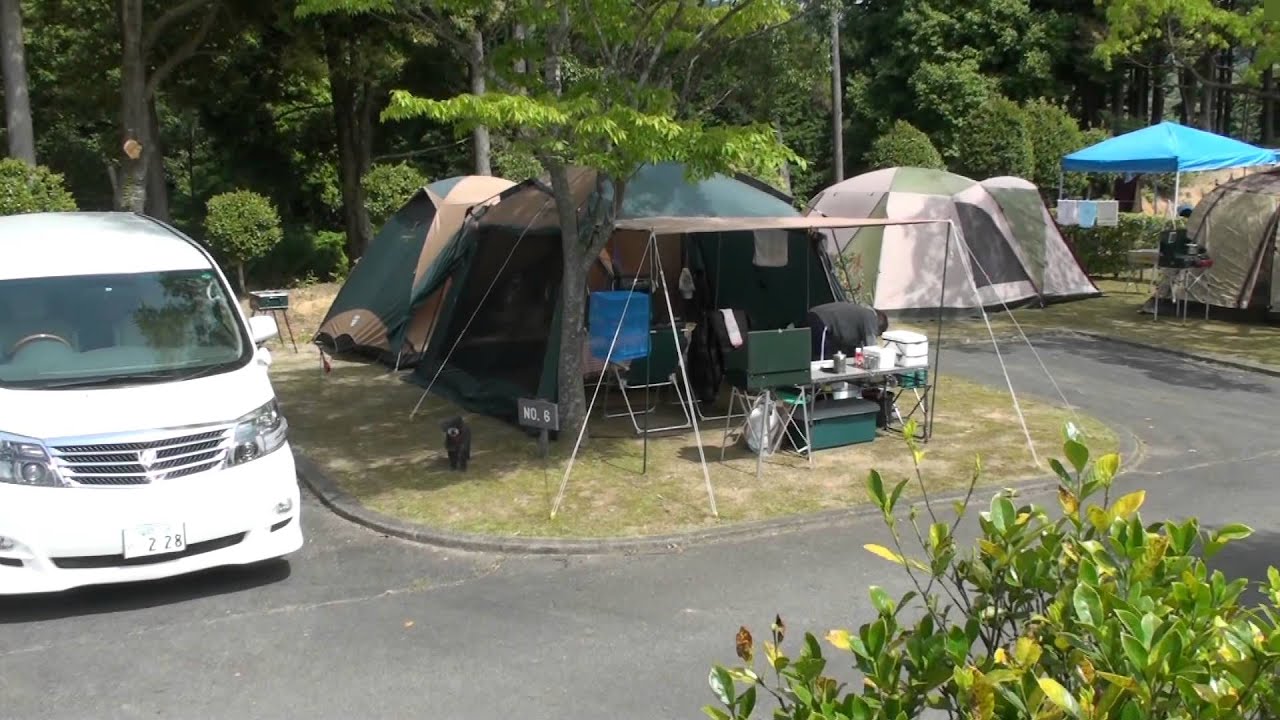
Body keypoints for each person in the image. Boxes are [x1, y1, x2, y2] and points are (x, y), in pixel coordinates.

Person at [803, 301, 888, 361]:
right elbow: (871, 345)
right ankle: (818, 384)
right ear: (878, 325)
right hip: (821, 320)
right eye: (877, 333)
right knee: (822, 360)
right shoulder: (870, 316)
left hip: (815, 316)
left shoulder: (860, 314)